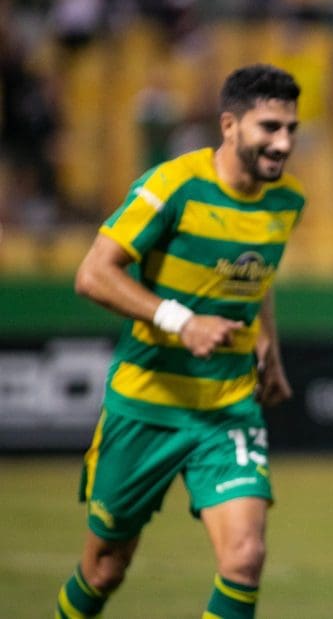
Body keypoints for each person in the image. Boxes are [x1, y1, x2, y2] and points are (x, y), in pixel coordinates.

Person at [55, 64, 304, 619]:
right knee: (104, 568)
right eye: (270, 127)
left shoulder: (286, 203)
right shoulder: (172, 186)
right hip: (146, 406)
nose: (284, 142)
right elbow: (93, 274)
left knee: (245, 557)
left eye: (291, 129)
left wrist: (272, 349)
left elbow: (257, 278)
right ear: (230, 125)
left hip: (227, 408)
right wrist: (180, 320)